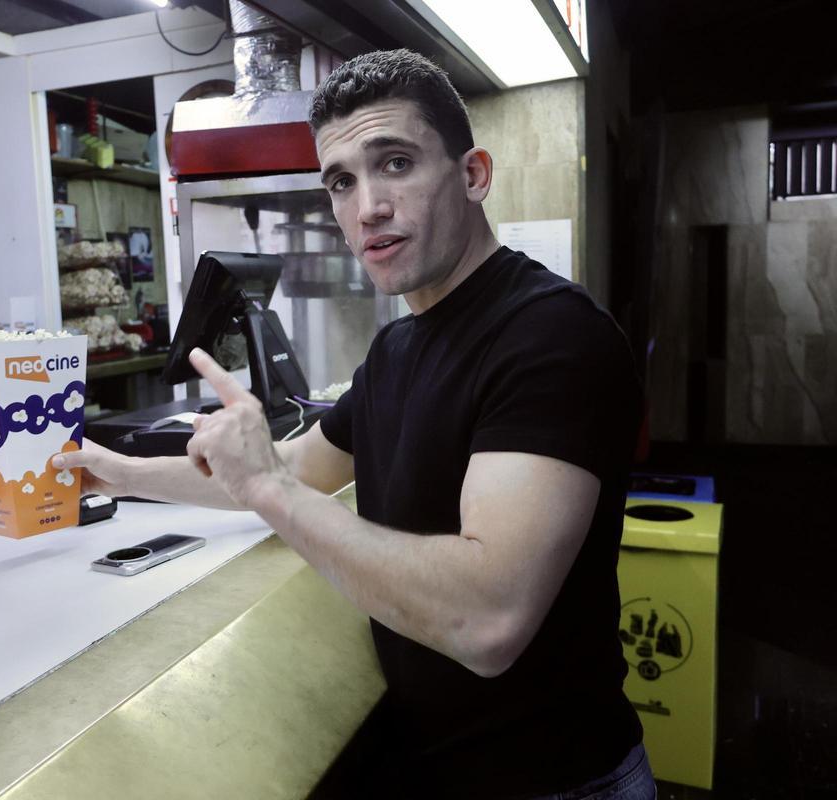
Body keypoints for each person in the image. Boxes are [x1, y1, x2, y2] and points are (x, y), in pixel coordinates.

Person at [52, 49, 653, 799]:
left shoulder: (551, 337)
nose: (365, 206)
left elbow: (489, 619)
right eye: (341, 180)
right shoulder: (398, 347)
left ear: (473, 176)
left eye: (395, 163)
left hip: (558, 783)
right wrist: (123, 472)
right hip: (432, 768)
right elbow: (296, 469)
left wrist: (272, 492)